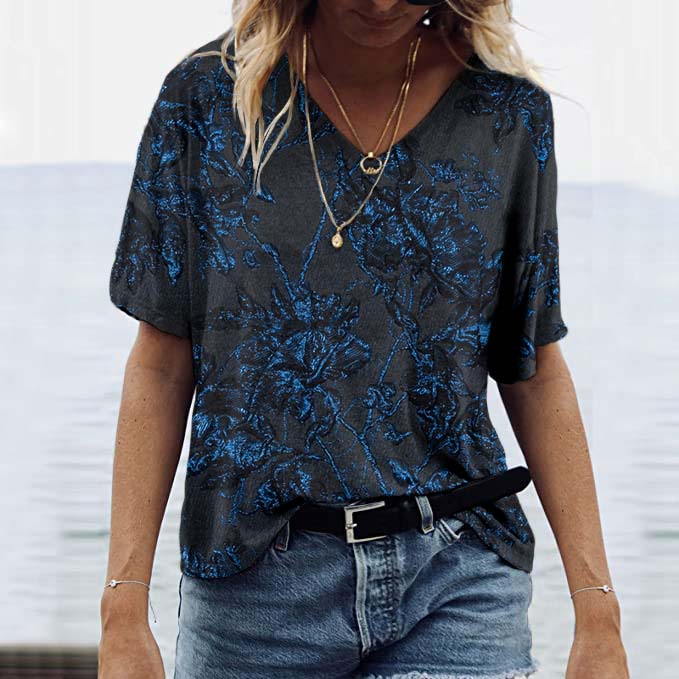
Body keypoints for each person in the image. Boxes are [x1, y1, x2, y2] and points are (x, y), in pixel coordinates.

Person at [98, 1, 630, 678]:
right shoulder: (205, 100)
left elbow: (533, 366)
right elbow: (162, 364)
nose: (381, 4)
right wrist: (122, 608)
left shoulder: (507, 116)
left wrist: (597, 613)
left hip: (456, 581)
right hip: (253, 594)